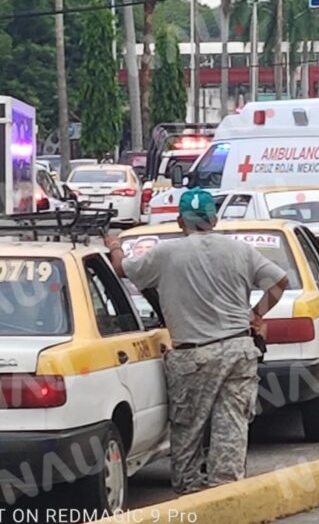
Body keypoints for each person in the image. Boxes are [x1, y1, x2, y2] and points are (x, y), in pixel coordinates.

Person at [105, 188, 289, 494]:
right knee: (231, 429)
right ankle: (226, 500)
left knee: (187, 434)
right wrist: (256, 315)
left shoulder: (166, 254)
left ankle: (191, 499)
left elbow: (123, 270)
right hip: (238, 350)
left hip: (192, 358)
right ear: (214, 219)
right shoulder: (240, 251)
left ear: (180, 222)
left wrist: (115, 246)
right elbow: (279, 282)